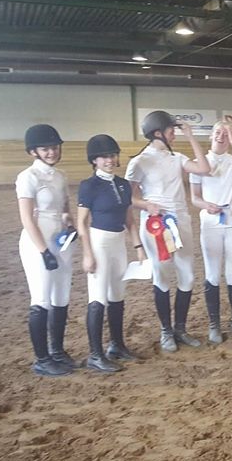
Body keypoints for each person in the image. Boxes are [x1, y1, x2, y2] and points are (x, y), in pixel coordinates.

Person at [126, 111, 211, 352]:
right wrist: (146, 205)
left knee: (187, 276)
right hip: (156, 224)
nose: (174, 134)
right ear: (157, 133)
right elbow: (129, 197)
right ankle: (166, 330)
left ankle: (180, 329)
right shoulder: (140, 161)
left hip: (180, 221)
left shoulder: (177, 158)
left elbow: (203, 168)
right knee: (162, 275)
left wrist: (191, 136)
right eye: (171, 130)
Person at [77, 134, 143, 373]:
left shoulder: (123, 185)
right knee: (98, 298)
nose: (109, 160)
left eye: (112, 155)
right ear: (94, 160)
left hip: (118, 244)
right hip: (99, 243)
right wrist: (87, 253)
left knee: (117, 295)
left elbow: (129, 220)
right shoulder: (88, 186)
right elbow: (81, 222)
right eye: (104, 157)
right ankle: (95, 354)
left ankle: (117, 345)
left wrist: (138, 247)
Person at [16, 124, 77, 376]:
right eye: (45, 149)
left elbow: (64, 209)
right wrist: (43, 251)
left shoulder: (60, 176)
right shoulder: (27, 177)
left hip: (59, 242)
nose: (52, 152)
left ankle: (57, 351)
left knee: (61, 297)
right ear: (34, 151)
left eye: (54, 147)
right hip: (37, 243)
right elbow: (26, 218)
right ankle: (42, 359)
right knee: (41, 299)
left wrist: (70, 224)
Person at [189, 120, 232, 344]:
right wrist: (206, 205)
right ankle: (214, 324)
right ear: (211, 135)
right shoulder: (199, 163)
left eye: (226, 134)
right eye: (218, 132)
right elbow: (195, 197)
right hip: (211, 225)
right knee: (213, 275)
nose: (221, 137)